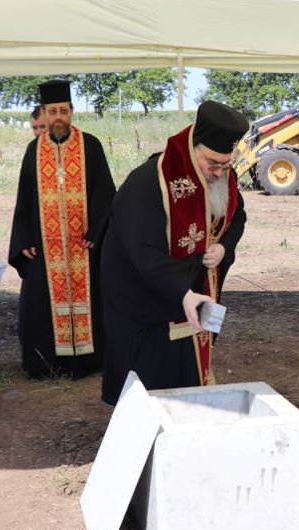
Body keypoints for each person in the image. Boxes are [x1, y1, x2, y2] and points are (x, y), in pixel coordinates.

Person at [100, 101, 249, 405]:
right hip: (147, 303)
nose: (219, 173)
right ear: (194, 146)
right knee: (151, 387)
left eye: (226, 164)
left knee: (192, 376)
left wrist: (223, 247)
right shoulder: (148, 182)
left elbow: (238, 217)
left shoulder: (224, 176)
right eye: (212, 164)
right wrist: (183, 293)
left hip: (198, 293)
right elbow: (142, 251)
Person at [8, 79, 116, 379]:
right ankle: (46, 363)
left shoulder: (90, 145)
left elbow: (106, 194)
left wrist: (97, 232)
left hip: (83, 245)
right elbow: (24, 198)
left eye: (63, 111)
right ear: (43, 113)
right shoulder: (34, 150)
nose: (58, 117)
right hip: (46, 246)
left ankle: (88, 361)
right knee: (40, 300)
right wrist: (24, 238)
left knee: (93, 299)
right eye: (52, 111)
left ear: (71, 112)